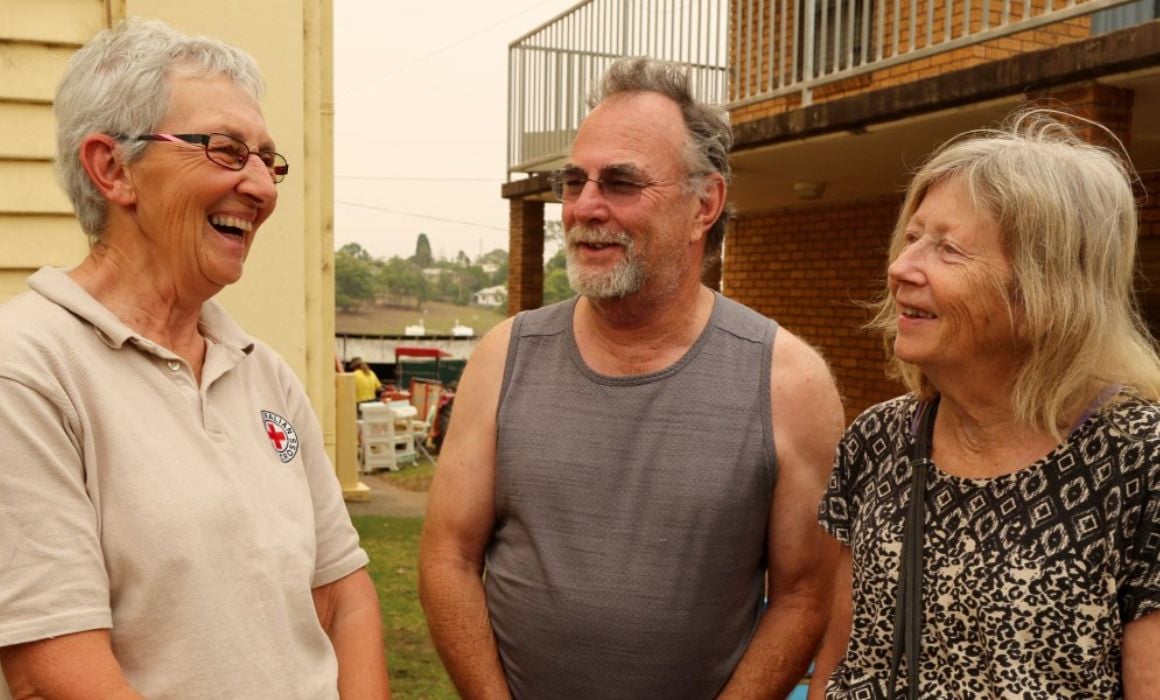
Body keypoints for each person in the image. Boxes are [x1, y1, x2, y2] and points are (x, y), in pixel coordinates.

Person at [419, 57, 845, 698]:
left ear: (705, 203)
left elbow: (803, 595)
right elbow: (447, 557)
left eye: (621, 182)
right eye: (574, 181)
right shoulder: (504, 358)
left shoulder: (789, 383)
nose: (585, 207)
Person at [0, 18, 390, 699]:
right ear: (112, 168)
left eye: (268, 160)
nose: (264, 188)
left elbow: (343, 596)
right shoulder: (27, 370)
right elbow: (53, 669)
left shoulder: (262, 372)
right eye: (225, 151)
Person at [810, 110, 1160, 698]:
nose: (900, 267)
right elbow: (845, 659)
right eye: (914, 236)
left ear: (1046, 287)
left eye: (946, 248)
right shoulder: (879, 439)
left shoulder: (1141, 460)